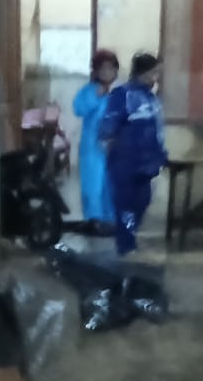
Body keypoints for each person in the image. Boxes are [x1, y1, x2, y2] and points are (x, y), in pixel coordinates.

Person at [100, 53, 168, 257]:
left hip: (146, 165)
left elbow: (158, 130)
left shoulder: (152, 98)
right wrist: (116, 153)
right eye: (154, 73)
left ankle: (129, 239)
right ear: (143, 73)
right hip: (125, 163)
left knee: (142, 201)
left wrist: (161, 155)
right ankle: (126, 246)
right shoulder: (122, 95)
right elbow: (108, 128)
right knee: (126, 206)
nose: (157, 78)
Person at [72, 50, 121, 229]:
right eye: (103, 68)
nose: (107, 72)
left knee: (111, 184)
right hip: (92, 147)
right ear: (95, 71)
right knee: (93, 184)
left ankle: (111, 220)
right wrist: (95, 97)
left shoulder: (118, 93)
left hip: (113, 146)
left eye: (111, 68)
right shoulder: (89, 91)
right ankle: (94, 220)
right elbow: (78, 109)